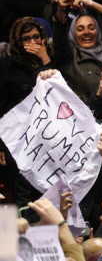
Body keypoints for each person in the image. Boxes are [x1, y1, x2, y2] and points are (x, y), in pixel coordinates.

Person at [0, 17, 53, 203]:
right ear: (17, 41)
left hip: (48, 141)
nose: (33, 43)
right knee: (19, 197)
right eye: (26, 39)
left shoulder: (53, 60)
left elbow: (57, 94)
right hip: (17, 142)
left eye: (36, 37)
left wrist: (45, 59)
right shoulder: (7, 66)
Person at [52, 0, 102, 104]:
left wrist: (90, 3)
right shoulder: (69, 56)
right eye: (80, 29)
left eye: (91, 27)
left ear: (98, 30)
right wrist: (60, 13)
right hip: (85, 115)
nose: (86, 32)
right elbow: (60, 34)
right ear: (73, 33)